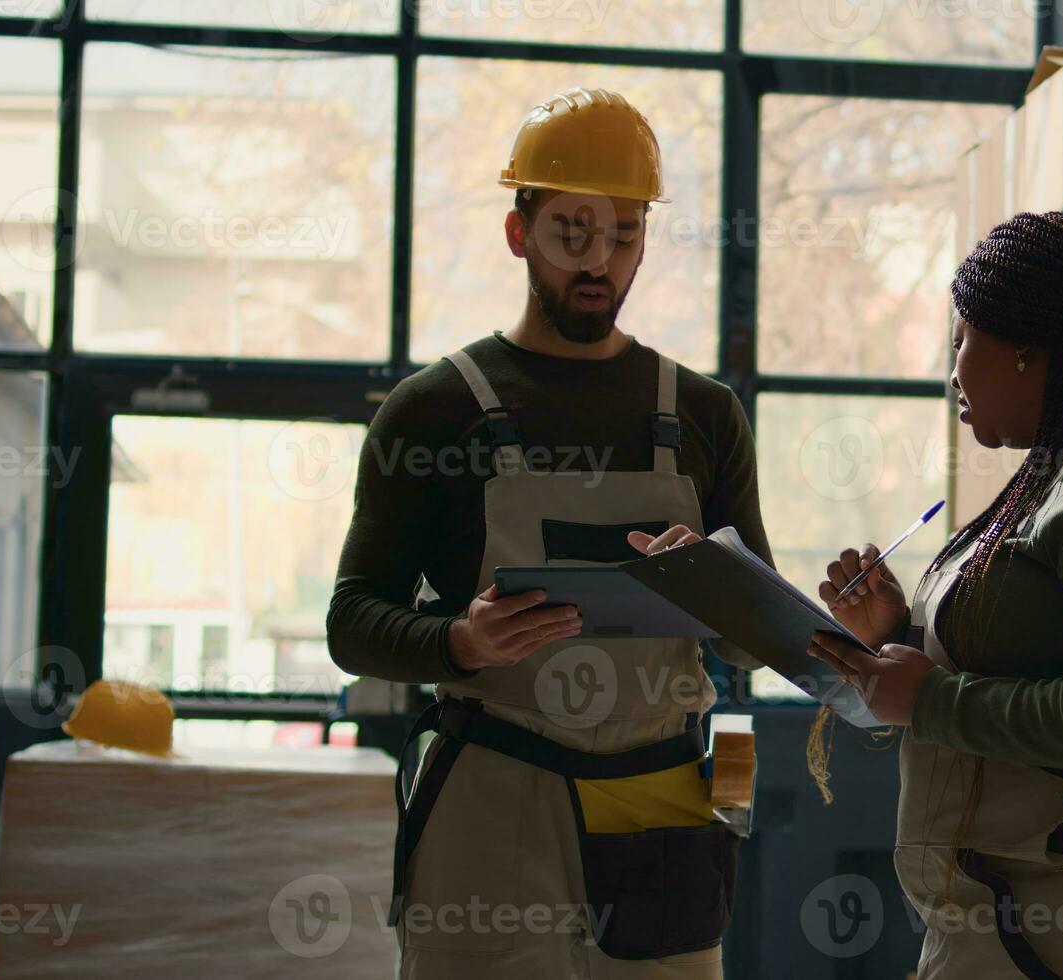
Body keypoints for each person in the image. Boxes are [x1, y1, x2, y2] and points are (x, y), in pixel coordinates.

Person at [327, 87, 771, 979]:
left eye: (625, 234)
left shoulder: (704, 414)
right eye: (574, 232)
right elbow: (352, 622)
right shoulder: (434, 411)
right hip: (495, 794)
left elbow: (751, 640)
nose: (600, 260)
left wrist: (716, 590)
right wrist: (458, 641)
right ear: (517, 231)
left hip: (661, 805)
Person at [806, 211, 1063, 978]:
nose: (953, 371)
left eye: (963, 342)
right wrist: (900, 629)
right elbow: (1034, 650)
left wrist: (932, 700)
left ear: (1026, 348)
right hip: (1016, 918)